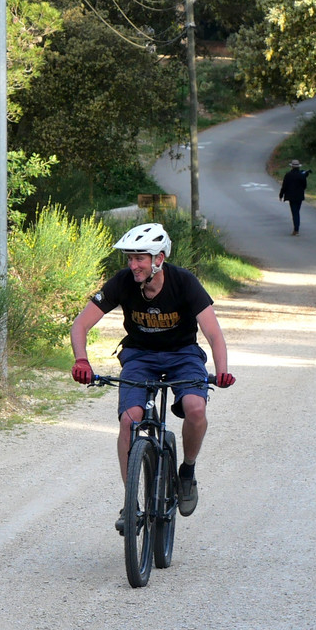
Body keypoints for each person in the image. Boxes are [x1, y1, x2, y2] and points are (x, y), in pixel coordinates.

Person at [69, 223, 234, 529]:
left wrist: (222, 370)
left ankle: (187, 472)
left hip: (183, 354)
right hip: (139, 356)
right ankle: (130, 503)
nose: (133, 265)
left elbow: (213, 333)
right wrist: (82, 360)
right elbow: (80, 325)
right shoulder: (123, 282)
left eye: (139, 258)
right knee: (129, 420)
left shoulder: (184, 281)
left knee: (196, 408)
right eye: (130, 258)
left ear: (159, 259)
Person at [278, 159, 311, 235]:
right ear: (299, 167)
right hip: (299, 196)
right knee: (297, 211)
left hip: (291, 196)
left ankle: (296, 229)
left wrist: (281, 195)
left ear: (292, 167)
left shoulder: (288, 175)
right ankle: (296, 228)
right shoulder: (302, 175)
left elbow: (284, 186)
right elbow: (304, 186)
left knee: (294, 212)